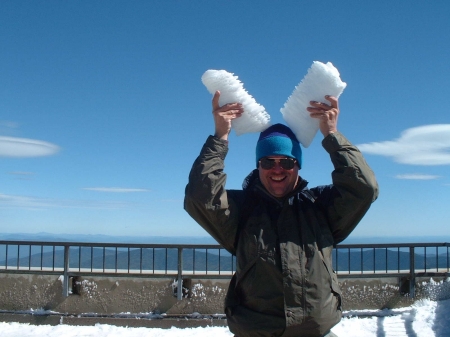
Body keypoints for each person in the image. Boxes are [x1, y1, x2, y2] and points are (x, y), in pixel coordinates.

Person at [184, 90, 378, 337]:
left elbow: (363, 188)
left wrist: (332, 135)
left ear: (297, 165)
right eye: (268, 161)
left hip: (315, 331)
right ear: (258, 165)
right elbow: (200, 197)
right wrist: (220, 137)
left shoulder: (320, 205)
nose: (277, 169)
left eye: (286, 162)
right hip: (256, 331)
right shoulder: (241, 209)